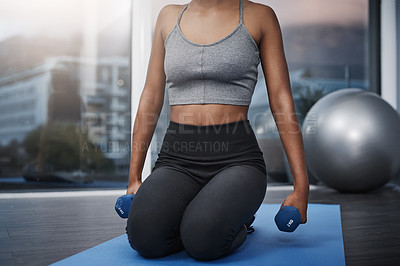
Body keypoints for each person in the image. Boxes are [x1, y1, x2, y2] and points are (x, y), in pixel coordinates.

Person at [125, 0, 309, 261]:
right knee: (144, 237)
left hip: (237, 161)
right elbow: (151, 96)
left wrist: (301, 188)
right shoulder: (168, 17)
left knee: (203, 241)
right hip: (177, 159)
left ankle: (239, 221)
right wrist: (134, 177)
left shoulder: (260, 16)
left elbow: (281, 100)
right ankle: (206, 215)